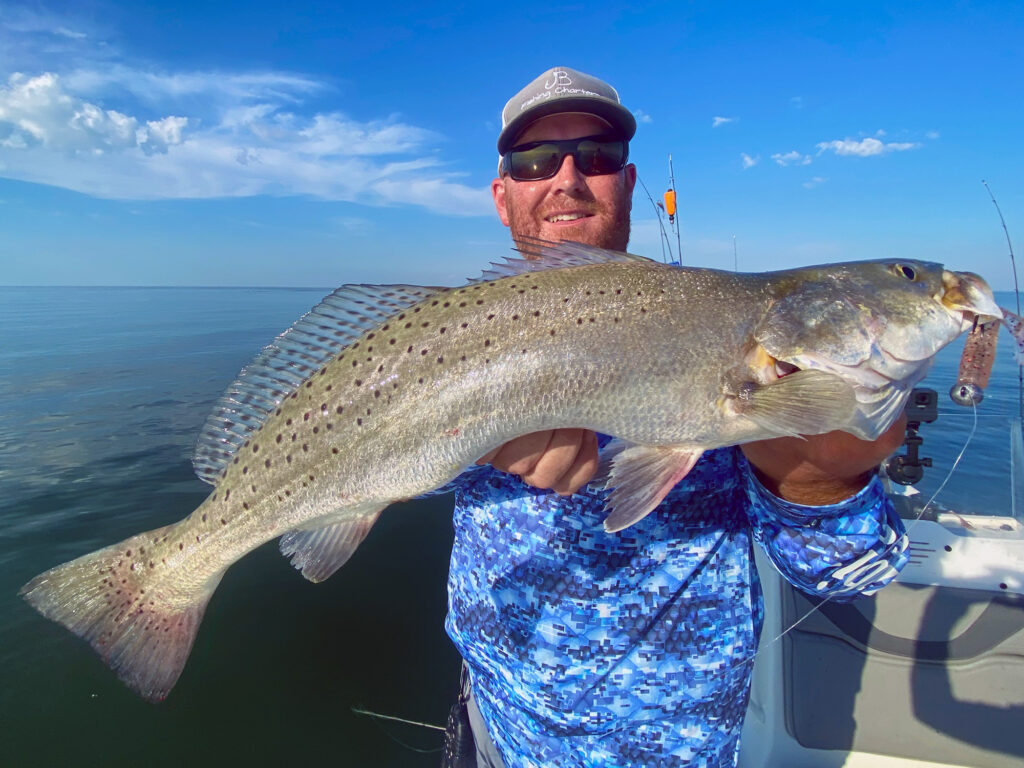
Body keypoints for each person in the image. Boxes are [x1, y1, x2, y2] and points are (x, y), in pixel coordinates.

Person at [441, 66, 909, 768]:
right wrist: (464, 442)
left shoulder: (731, 339)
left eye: (595, 158)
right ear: (503, 196)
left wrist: (822, 483)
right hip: (494, 731)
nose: (567, 179)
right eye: (536, 161)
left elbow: (848, 578)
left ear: (627, 184)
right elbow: (382, 478)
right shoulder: (447, 343)